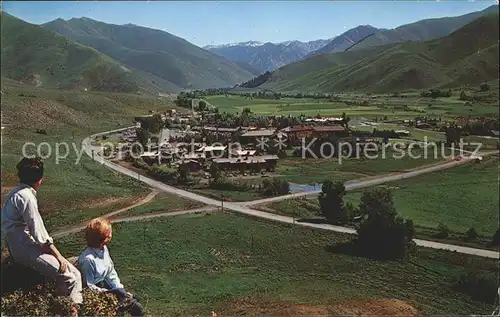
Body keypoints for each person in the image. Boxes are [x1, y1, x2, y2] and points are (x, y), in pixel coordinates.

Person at [2, 157, 83, 316]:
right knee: (67, 276)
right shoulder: (27, 197)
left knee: (77, 275)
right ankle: (64, 311)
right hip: (23, 247)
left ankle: (75, 310)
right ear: (40, 180)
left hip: (21, 243)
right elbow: (40, 234)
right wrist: (58, 256)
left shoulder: (16, 193)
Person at [78, 217, 145, 317]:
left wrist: (119, 288)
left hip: (108, 285)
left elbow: (110, 272)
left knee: (136, 307)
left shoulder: (103, 249)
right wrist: (111, 293)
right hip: (99, 291)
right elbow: (89, 286)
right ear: (104, 238)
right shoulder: (88, 260)